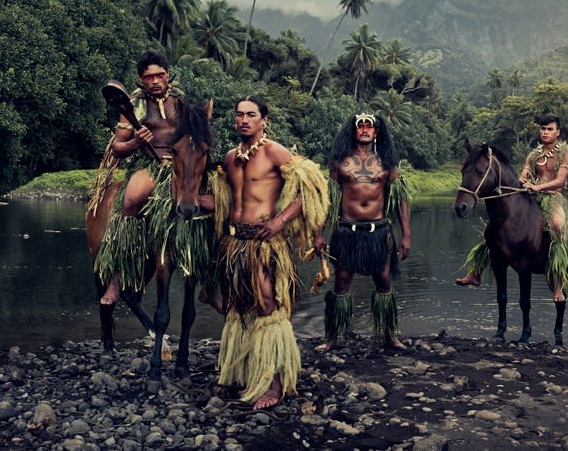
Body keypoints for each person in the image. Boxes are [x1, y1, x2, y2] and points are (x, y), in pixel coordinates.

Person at [212, 95, 328, 410]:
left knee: (268, 307)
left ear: (264, 120)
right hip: (234, 245)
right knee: (239, 307)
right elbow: (222, 203)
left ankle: (275, 385)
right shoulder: (230, 157)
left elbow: (311, 189)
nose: (243, 120)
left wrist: (279, 221)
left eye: (251, 114)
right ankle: (245, 372)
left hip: (264, 245)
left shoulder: (274, 152)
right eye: (239, 114)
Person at [455, 113, 568, 301]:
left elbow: (560, 180)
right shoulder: (534, 154)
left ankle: (558, 284)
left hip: (555, 198)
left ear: (558, 132)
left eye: (550, 129)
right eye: (543, 129)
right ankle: (476, 271)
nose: (545, 132)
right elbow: (525, 172)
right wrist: (523, 180)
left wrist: (538, 186)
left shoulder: (565, 153)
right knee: (493, 230)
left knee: (558, 225)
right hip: (532, 196)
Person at [91, 50, 184, 310]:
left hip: (182, 166)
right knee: (129, 200)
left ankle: (211, 283)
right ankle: (117, 278)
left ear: (168, 75)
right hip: (150, 166)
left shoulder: (181, 102)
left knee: (215, 203)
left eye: (159, 75)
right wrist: (136, 141)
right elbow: (118, 148)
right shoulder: (133, 106)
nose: (155, 81)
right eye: (148, 77)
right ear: (141, 80)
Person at [313, 112, 411, 352]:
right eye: (361, 126)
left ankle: (389, 335)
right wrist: (318, 233)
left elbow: (399, 201)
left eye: (370, 126)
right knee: (342, 282)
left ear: (376, 132)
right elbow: (328, 200)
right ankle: (333, 336)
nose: (365, 129)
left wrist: (406, 235)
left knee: (384, 281)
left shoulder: (387, 162)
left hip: (379, 231)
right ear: (354, 130)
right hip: (347, 231)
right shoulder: (339, 162)